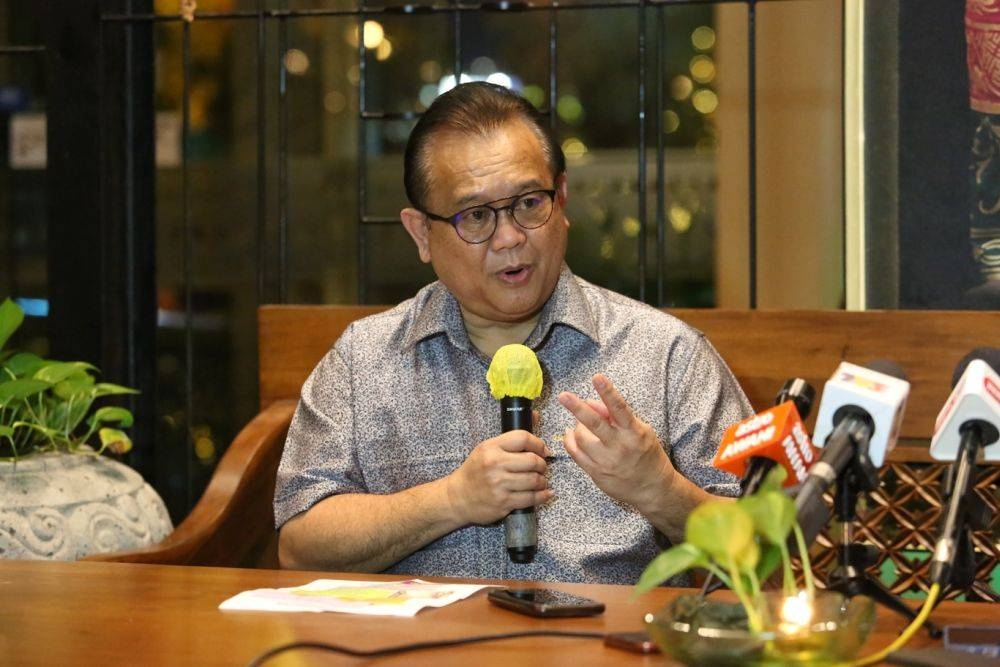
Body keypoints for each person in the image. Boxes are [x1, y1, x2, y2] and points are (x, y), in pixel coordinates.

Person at [274, 82, 753, 585]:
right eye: (476, 216)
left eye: (528, 203)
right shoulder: (362, 360)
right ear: (421, 234)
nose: (510, 238)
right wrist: (451, 500)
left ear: (561, 199)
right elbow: (300, 547)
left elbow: (771, 554)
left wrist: (661, 491)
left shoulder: (667, 354)